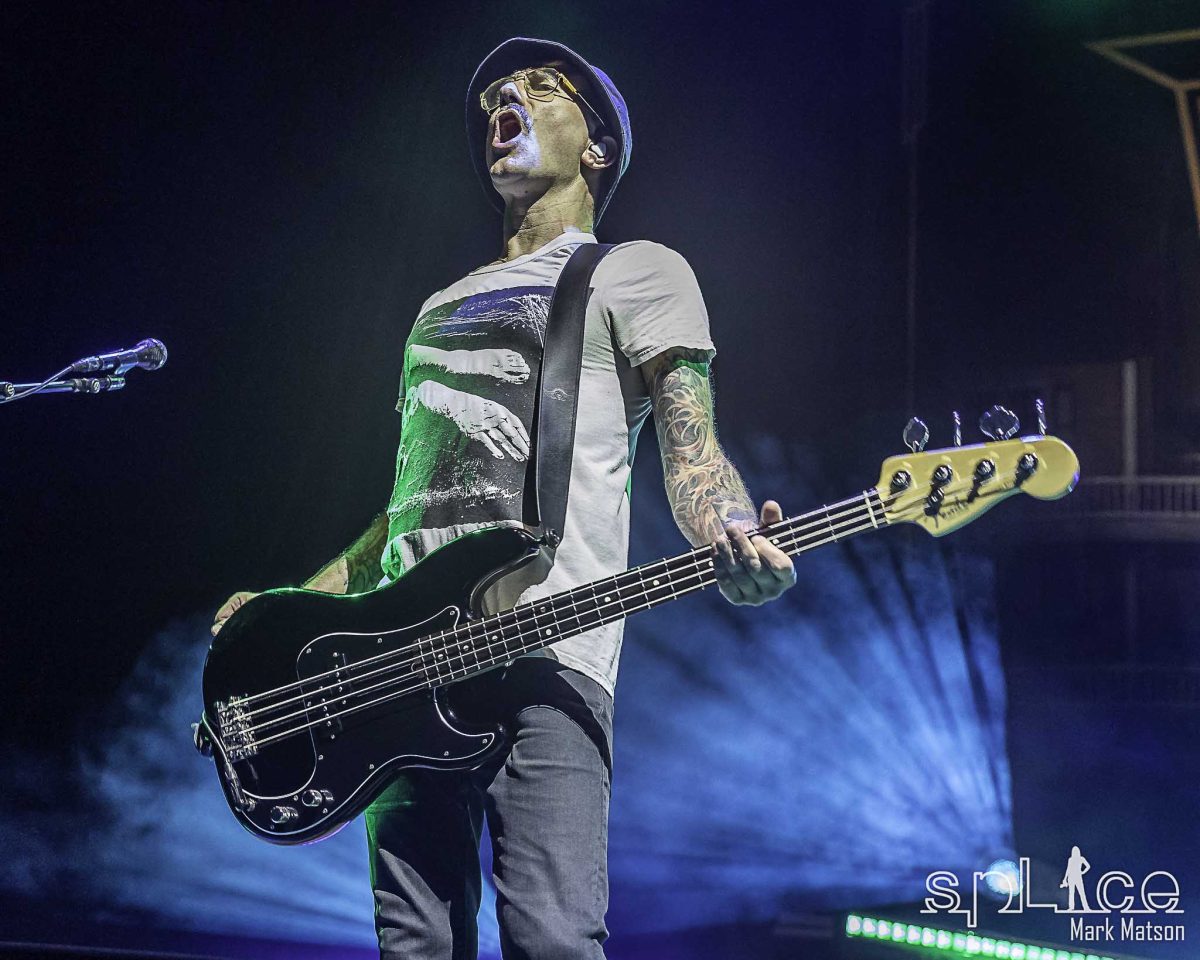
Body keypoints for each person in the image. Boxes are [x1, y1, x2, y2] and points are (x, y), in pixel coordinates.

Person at [211, 37, 796, 960]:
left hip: (547, 654)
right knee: (414, 944)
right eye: (492, 96)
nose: (502, 101)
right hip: (396, 668)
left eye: (536, 87)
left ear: (595, 146)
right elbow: (409, 505)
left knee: (551, 940)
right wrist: (294, 606)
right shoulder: (436, 308)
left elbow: (693, 447)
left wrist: (727, 529)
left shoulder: (637, 271)